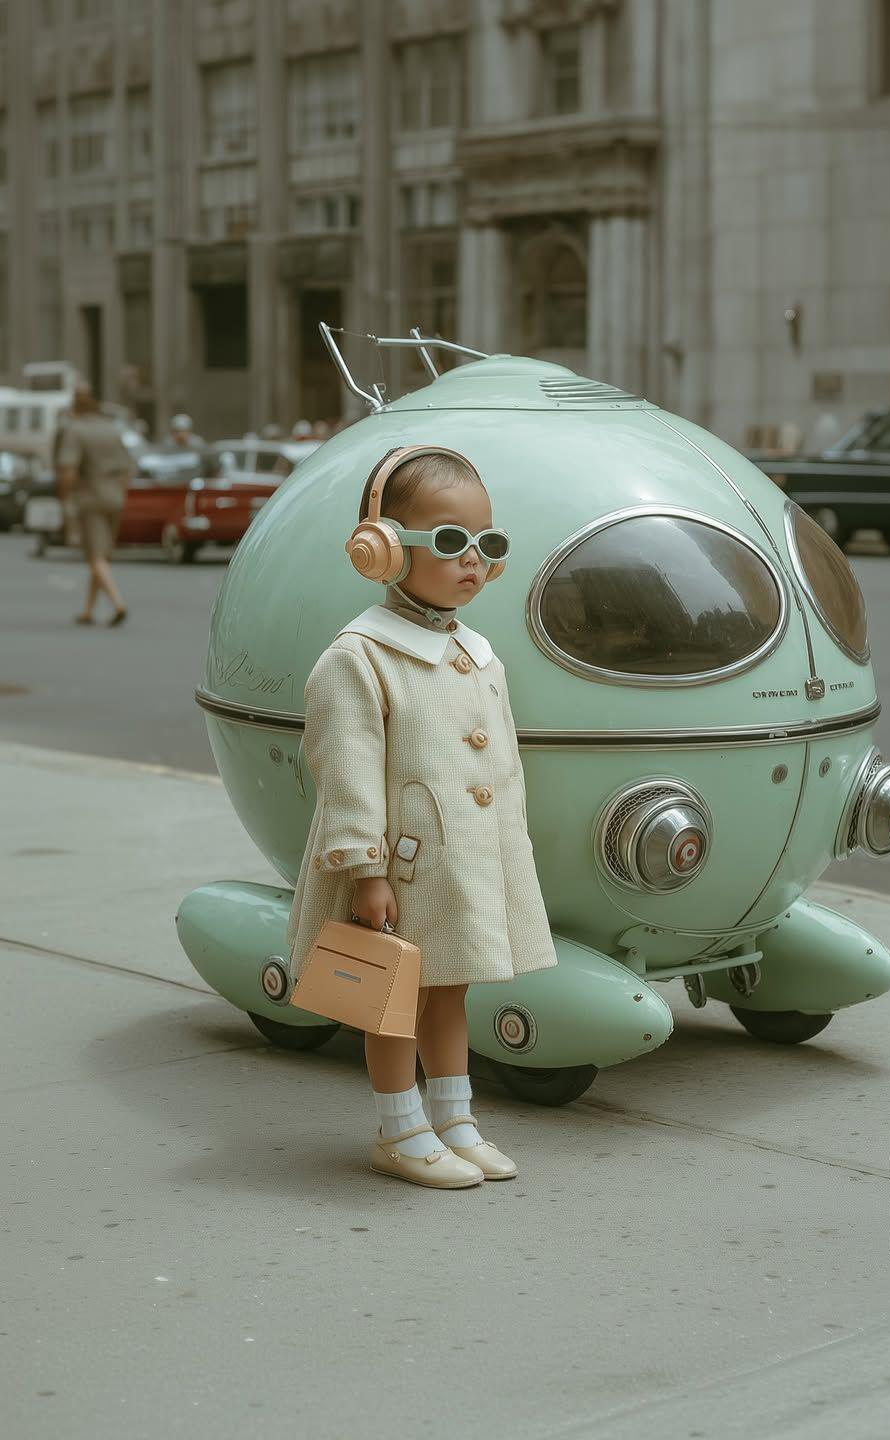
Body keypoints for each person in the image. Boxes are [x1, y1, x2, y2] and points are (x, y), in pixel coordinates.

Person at [286, 444, 558, 1190]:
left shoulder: (475, 651)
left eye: (487, 545)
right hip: (399, 869)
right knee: (390, 995)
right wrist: (365, 871)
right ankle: (399, 1128)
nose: (472, 560)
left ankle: (455, 1116)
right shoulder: (361, 656)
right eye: (448, 541)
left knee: (451, 987)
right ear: (381, 552)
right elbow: (345, 775)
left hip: (462, 864)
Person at [56, 382, 136, 626]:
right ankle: (88, 610)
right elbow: (128, 468)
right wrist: (118, 491)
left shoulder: (75, 430)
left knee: (95, 556)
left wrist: (64, 496)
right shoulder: (111, 428)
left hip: (90, 498)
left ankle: (118, 603)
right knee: (102, 554)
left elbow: (68, 470)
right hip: (115, 498)